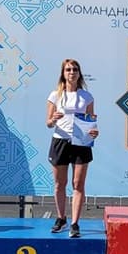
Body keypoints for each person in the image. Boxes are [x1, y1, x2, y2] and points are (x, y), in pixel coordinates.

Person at [46, 59, 98, 238]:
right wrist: (53, 119)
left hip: (80, 142)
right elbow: (48, 123)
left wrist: (93, 132)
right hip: (60, 140)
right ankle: (61, 218)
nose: (72, 72)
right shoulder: (55, 96)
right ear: (63, 73)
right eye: (68, 69)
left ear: (79, 73)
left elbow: (91, 122)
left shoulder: (87, 97)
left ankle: (75, 223)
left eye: (75, 69)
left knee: (78, 184)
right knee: (60, 184)